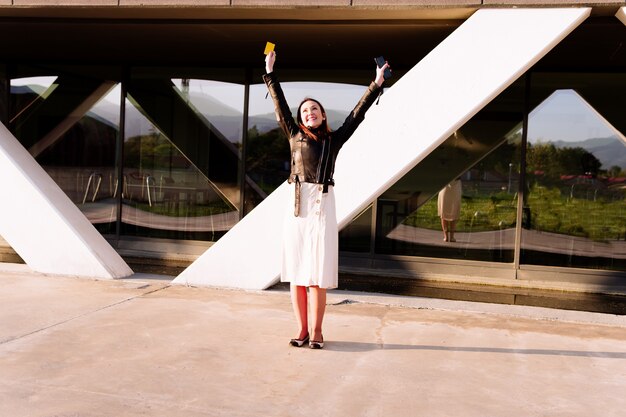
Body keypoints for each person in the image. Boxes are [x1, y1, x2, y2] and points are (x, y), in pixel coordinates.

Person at [263, 50, 390, 349]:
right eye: (305, 110)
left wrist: (376, 84)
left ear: (323, 115)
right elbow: (281, 108)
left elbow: (356, 115)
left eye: (315, 110)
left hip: (322, 202)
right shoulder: (294, 134)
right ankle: (302, 330)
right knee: (296, 272)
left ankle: (318, 331)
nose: (310, 113)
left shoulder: (334, 139)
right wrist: (269, 74)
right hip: (296, 205)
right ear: (301, 117)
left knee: (316, 274)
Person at [438, 178, 462, 242]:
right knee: (453, 210)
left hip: (446, 182)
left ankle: (446, 236)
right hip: (454, 183)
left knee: (444, 209)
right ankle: (451, 237)